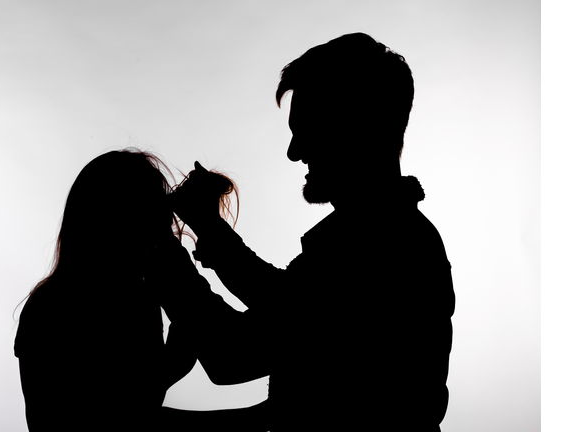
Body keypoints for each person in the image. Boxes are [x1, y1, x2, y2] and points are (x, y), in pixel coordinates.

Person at [157, 32, 456, 431]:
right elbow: (289, 403)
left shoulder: (379, 250)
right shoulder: (390, 240)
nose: (294, 151)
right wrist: (209, 232)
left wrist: (162, 256)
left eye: (307, 129)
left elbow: (233, 354)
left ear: (354, 127)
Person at [14, 148, 268, 431]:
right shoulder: (55, 305)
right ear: (107, 218)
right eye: (149, 209)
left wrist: (173, 359)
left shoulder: (140, 298)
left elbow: (131, 404)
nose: (166, 223)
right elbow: (112, 419)